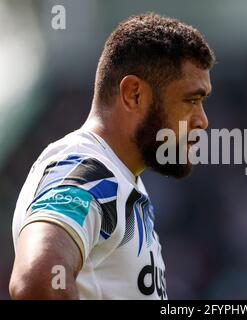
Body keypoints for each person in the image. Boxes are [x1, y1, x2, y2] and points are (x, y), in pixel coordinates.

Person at [9, 12, 215, 299]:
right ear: (133, 94)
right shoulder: (88, 171)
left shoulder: (119, 179)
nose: (202, 120)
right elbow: (38, 279)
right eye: (190, 100)